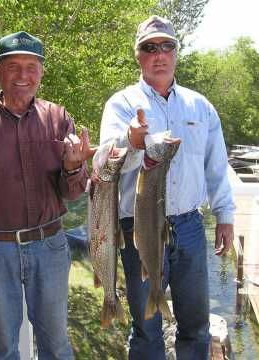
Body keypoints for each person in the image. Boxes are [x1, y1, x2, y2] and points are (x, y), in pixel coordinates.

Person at [0, 31, 94, 360]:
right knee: (3, 347)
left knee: (56, 345)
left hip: (50, 248)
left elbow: (73, 193)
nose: (23, 75)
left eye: (31, 66)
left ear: (41, 72)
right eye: (13, 67)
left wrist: (72, 167)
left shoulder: (58, 118)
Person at [100, 15, 235, 360]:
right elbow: (105, 165)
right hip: (138, 227)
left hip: (190, 226)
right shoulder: (121, 104)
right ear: (138, 56)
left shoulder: (200, 106)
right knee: (146, 329)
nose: (159, 54)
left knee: (196, 325)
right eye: (149, 47)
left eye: (166, 46)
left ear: (176, 52)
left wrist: (225, 214)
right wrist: (130, 141)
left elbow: (216, 165)